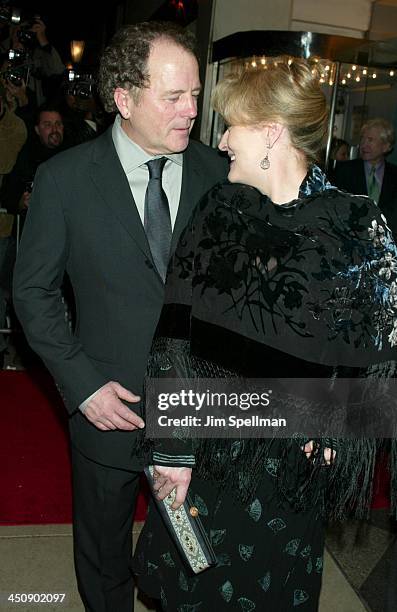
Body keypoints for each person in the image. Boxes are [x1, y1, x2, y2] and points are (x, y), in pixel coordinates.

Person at [133, 58, 397, 611]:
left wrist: (336, 430)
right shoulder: (218, 210)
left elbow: (375, 351)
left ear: (272, 133)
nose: (222, 139)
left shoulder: (356, 227)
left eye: (233, 125)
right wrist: (173, 453)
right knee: (191, 590)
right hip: (204, 457)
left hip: (287, 476)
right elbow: (174, 336)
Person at [12, 21, 228, 612]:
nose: (190, 110)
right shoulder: (64, 180)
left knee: (195, 554)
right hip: (108, 406)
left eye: (195, 96)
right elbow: (32, 293)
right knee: (105, 557)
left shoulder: (221, 177)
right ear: (124, 99)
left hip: (201, 411)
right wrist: (82, 387)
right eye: (173, 97)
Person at [332, 118, 397, 236]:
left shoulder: (394, 175)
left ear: (386, 146)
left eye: (370, 140)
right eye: (362, 139)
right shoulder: (344, 170)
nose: (363, 144)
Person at [1, 103, 64, 215]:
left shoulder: (73, 153)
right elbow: (8, 196)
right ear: (37, 130)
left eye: (58, 124)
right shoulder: (27, 157)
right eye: (47, 125)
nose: (54, 129)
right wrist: (22, 202)